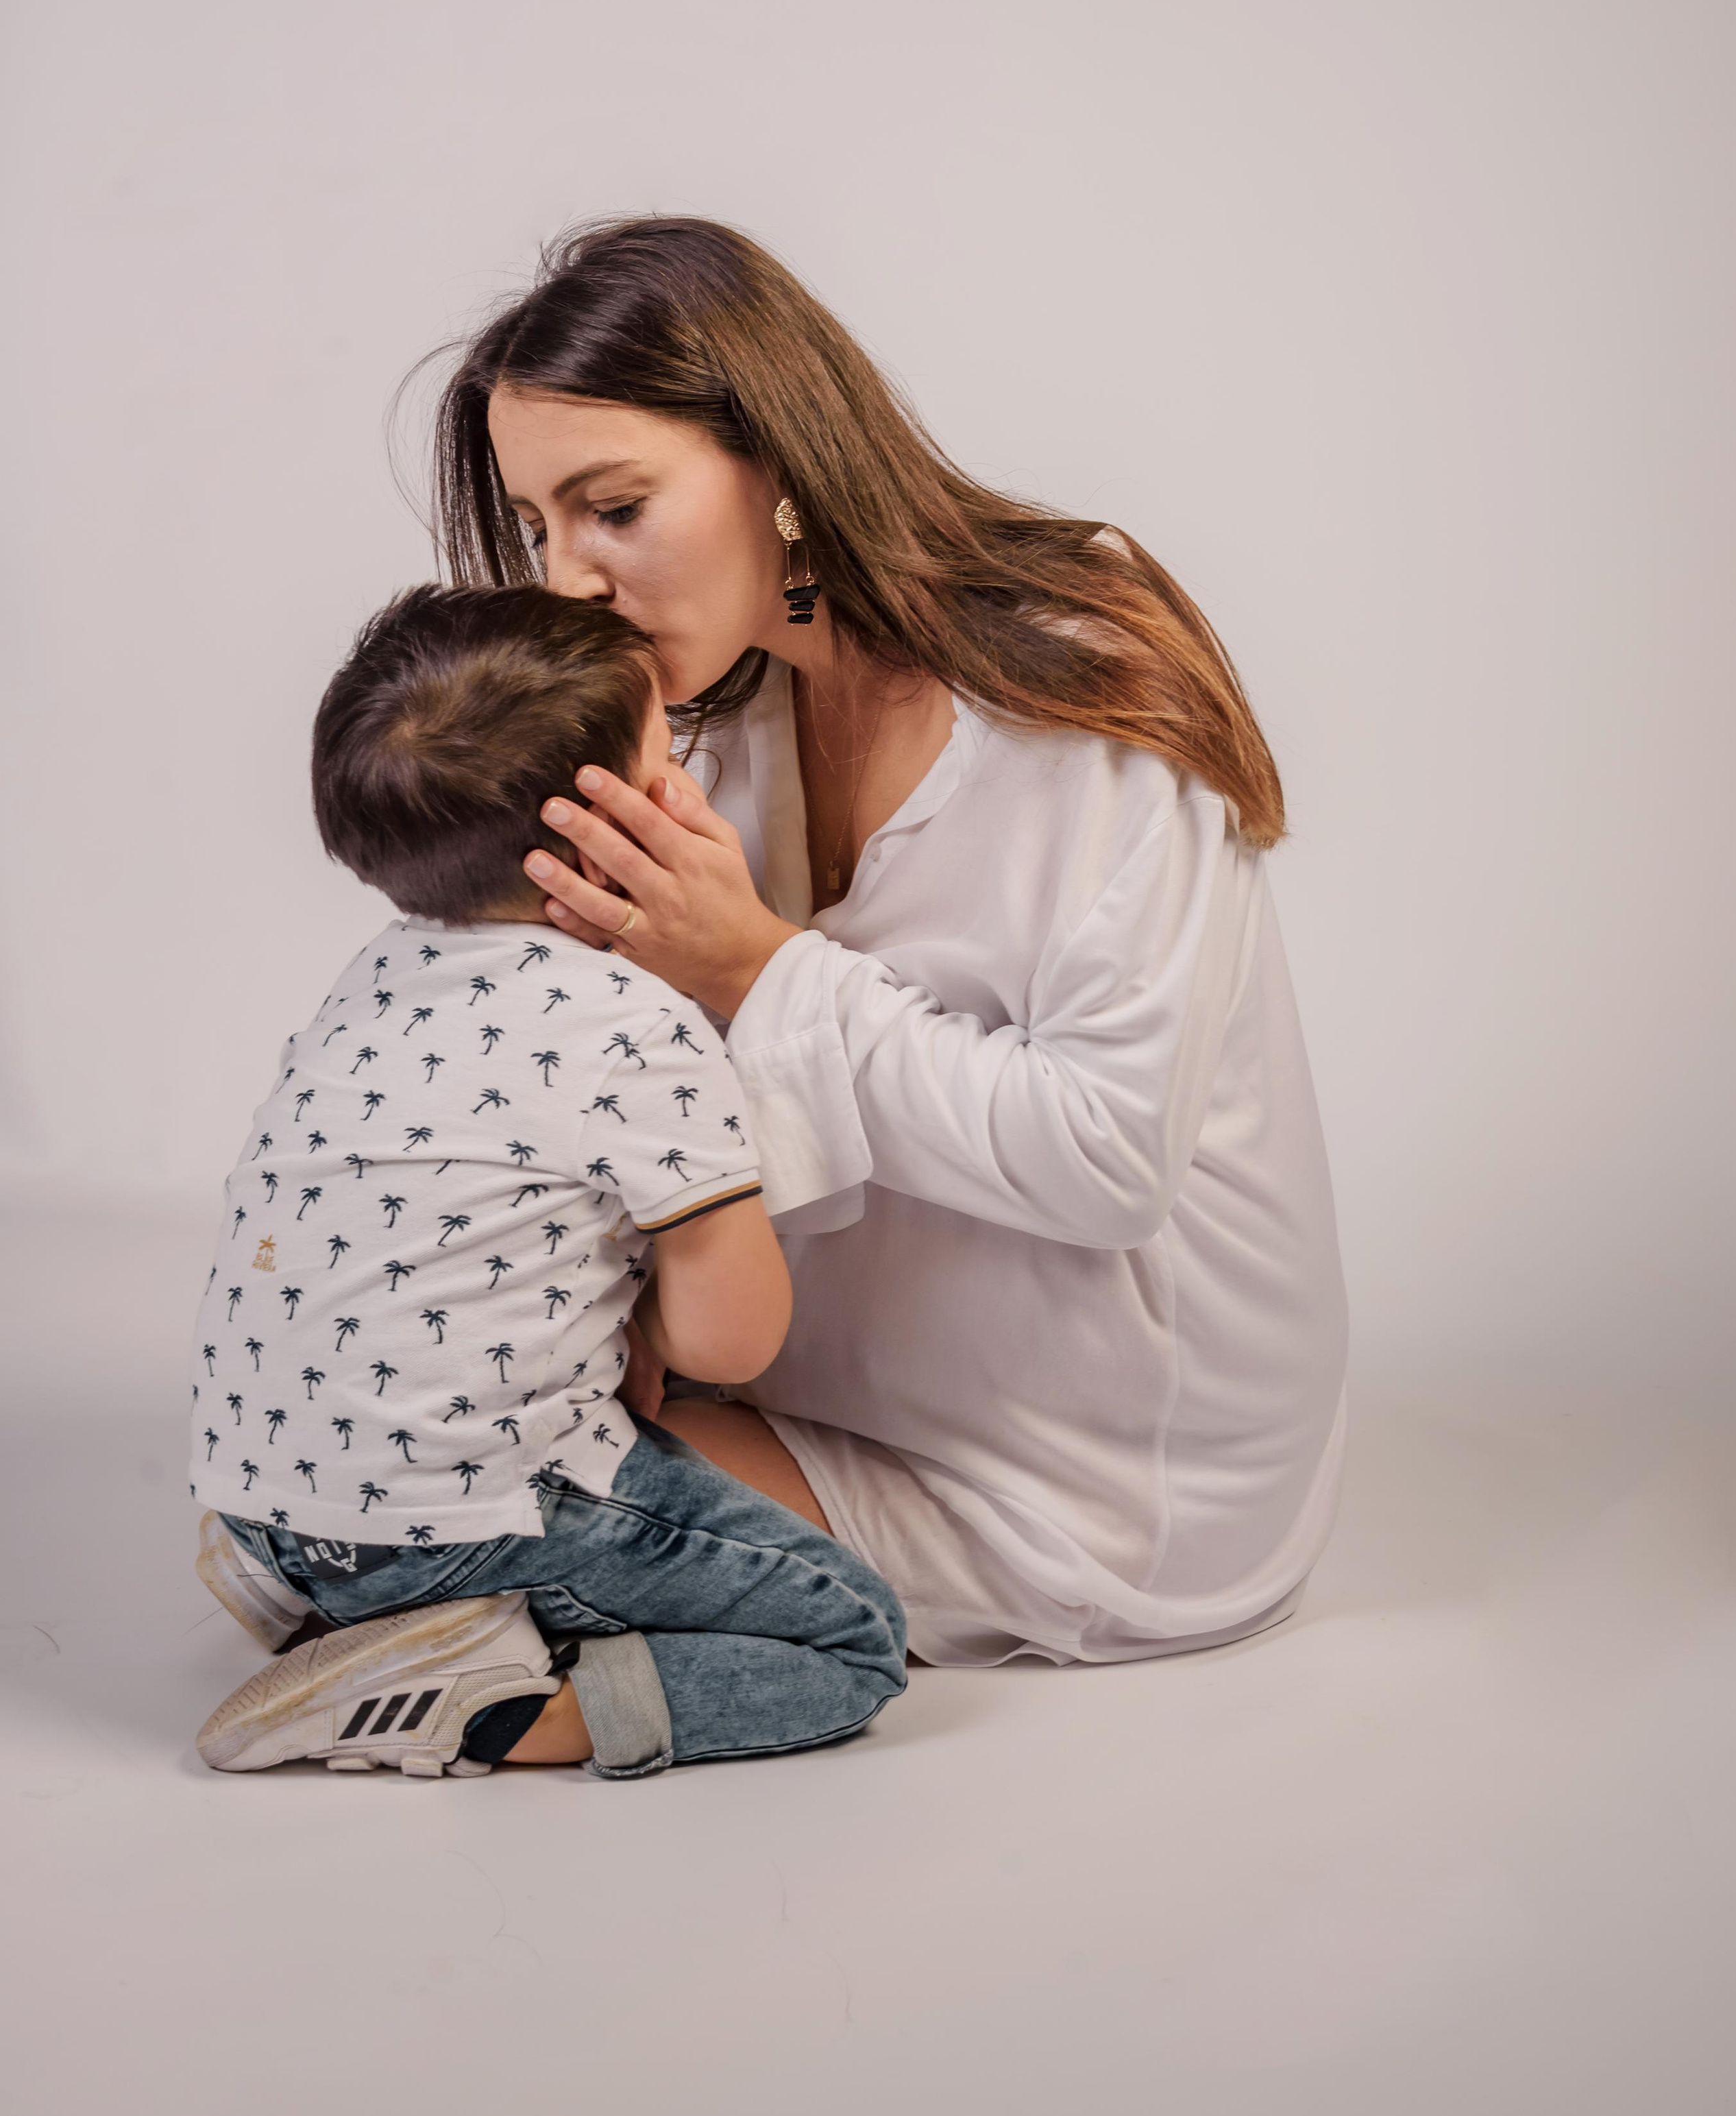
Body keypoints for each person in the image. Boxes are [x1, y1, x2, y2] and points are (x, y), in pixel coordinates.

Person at [428, 214, 1349, 1668]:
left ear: (778, 462)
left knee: (441, 1531)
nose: (570, 583)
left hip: (1104, 1475)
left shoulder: (1073, 664)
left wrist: (749, 967)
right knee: (384, 1472)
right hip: (833, 1396)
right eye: (541, 528)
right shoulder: (715, 734)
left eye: (614, 508)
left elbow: (1109, 1157)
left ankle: (506, 1685)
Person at [190, 583, 906, 1777]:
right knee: (853, 1640)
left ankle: (323, 1584)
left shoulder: (365, 985)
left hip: (267, 1489)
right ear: (601, 827)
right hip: (472, 1515)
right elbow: (733, 1343)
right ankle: (471, 1703)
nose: (688, 777)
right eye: (660, 753)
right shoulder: (634, 1020)